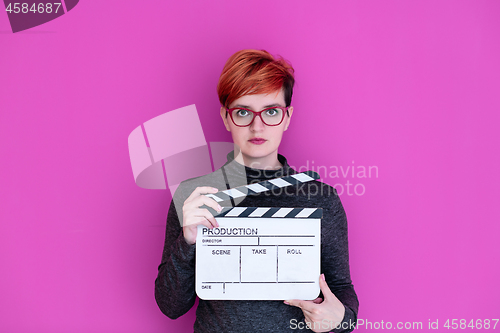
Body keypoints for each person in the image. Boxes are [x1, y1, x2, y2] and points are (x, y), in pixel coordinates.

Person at [155, 49, 359, 332]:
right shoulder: (195, 197)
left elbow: (341, 291)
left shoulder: (321, 198)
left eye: (271, 111)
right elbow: (171, 306)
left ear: (287, 117)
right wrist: (187, 242)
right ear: (226, 118)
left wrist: (340, 320)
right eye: (242, 112)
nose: (257, 125)